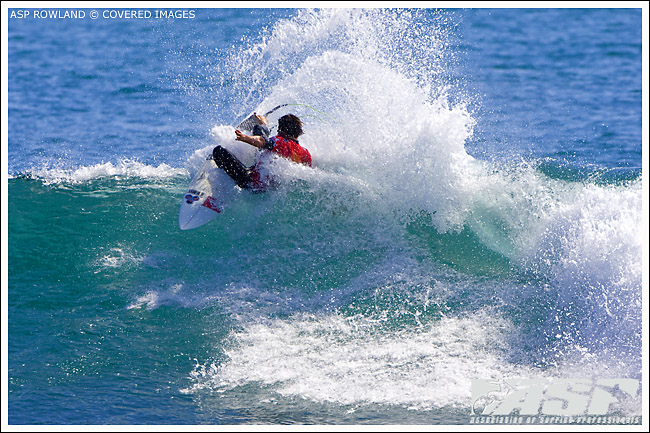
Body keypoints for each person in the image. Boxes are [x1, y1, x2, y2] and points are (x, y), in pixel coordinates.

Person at [212, 113, 312, 190]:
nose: (278, 132)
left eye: (278, 130)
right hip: (270, 188)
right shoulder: (305, 153)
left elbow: (262, 141)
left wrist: (245, 138)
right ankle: (262, 125)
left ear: (283, 130)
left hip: (251, 183)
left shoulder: (281, 141)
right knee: (264, 153)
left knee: (218, 151)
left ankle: (262, 124)